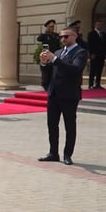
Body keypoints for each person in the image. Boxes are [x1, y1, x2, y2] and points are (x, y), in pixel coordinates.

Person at [38, 27, 88, 165]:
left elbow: (75, 69)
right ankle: (53, 152)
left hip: (69, 95)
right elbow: (49, 69)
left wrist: (54, 59)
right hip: (54, 93)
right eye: (61, 37)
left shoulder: (81, 52)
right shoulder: (59, 52)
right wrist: (44, 62)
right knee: (52, 125)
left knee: (69, 126)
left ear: (75, 36)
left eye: (66, 36)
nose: (63, 39)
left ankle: (67, 154)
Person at [36, 20, 61, 90]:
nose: (52, 28)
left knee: (54, 72)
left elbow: (58, 46)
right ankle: (45, 85)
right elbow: (39, 39)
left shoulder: (56, 35)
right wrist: (46, 33)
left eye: (53, 26)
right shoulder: (44, 36)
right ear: (47, 27)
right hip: (46, 56)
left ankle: (52, 86)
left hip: (54, 56)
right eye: (51, 26)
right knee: (46, 73)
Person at [86, 19, 106, 89]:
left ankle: (97, 83)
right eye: (98, 24)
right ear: (95, 25)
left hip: (101, 55)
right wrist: (91, 53)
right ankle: (91, 84)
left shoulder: (103, 34)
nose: (100, 26)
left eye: (101, 25)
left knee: (99, 69)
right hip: (94, 55)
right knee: (93, 69)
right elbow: (90, 44)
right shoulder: (91, 33)